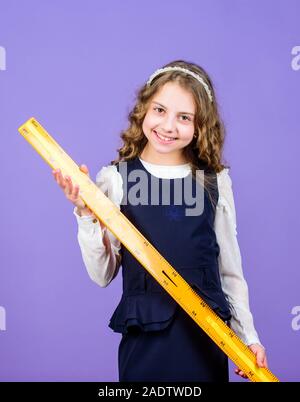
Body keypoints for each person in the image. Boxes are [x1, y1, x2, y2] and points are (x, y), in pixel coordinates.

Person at [52, 60, 268, 382]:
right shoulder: (117, 179)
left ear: (200, 126)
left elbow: (229, 270)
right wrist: (86, 214)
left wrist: (248, 336)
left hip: (204, 337)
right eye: (160, 110)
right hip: (146, 341)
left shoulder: (214, 181)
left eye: (184, 117)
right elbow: (102, 275)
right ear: (143, 110)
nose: (168, 126)